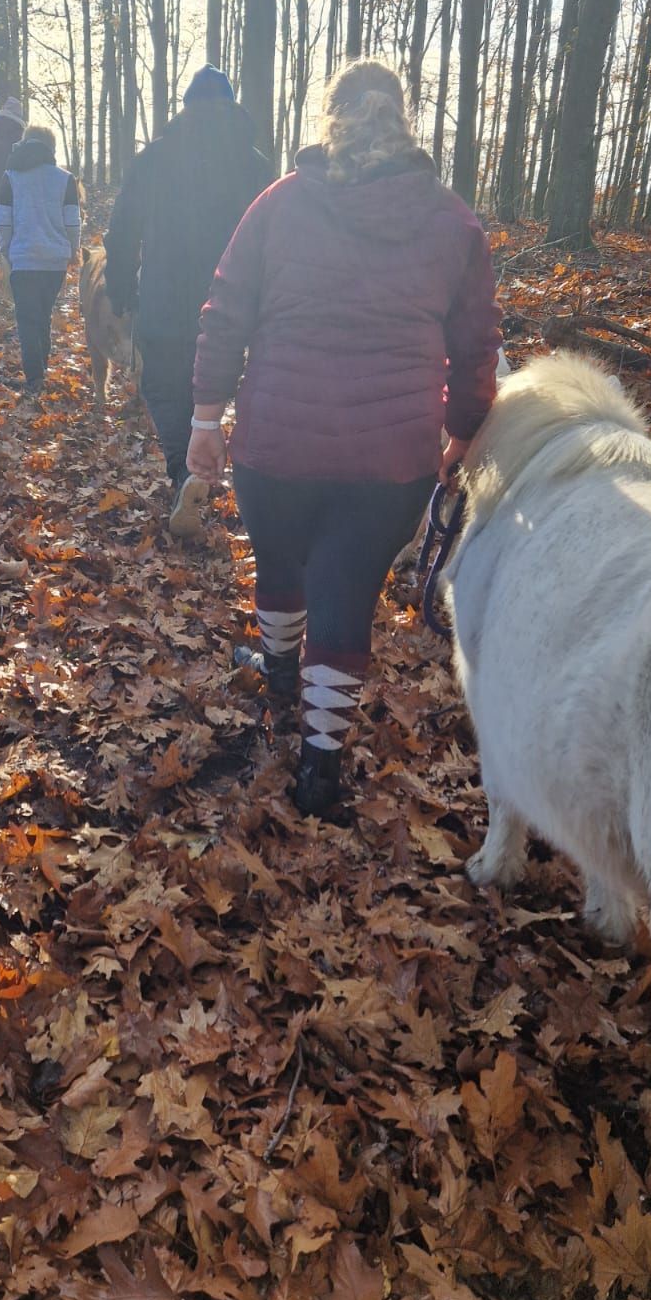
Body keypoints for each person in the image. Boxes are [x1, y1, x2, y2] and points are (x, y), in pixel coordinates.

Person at [187, 58, 501, 816]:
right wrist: (460, 433)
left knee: (281, 563)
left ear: (330, 118)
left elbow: (225, 307)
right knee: (346, 592)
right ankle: (320, 766)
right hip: (389, 460)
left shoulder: (281, 204)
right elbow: (476, 348)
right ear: (405, 120)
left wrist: (205, 417)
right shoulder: (454, 223)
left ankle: (282, 675)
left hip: (278, 443)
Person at [104, 65, 271, 540]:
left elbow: (123, 230)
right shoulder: (255, 164)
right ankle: (242, 478)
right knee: (226, 387)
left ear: (185, 107)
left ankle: (185, 473)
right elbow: (278, 238)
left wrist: (119, 291)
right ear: (232, 105)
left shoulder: (154, 158)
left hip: (163, 294)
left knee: (161, 385)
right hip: (235, 304)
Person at [0, 125, 82, 393]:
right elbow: (73, 223)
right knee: (42, 315)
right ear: (51, 148)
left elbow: (2, 222)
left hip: (23, 258)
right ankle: (40, 368)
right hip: (54, 261)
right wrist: (72, 250)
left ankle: (35, 378)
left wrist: (6, 251)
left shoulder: (10, 177)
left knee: (28, 318)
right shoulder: (65, 179)